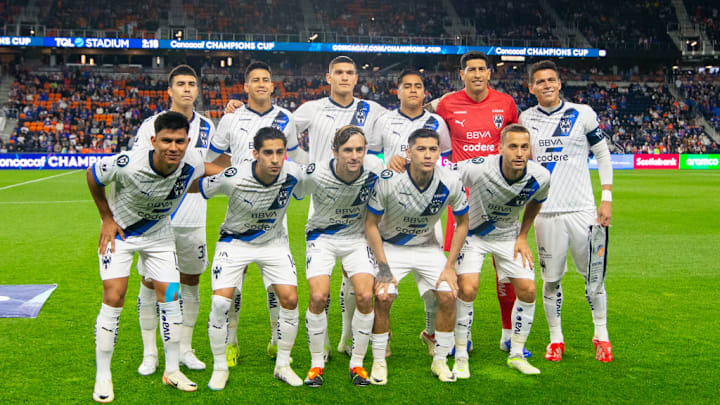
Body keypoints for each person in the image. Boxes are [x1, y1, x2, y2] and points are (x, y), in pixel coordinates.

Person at [87, 112, 221, 402]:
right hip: (120, 235)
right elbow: (93, 175)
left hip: (160, 239)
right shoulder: (129, 162)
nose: (173, 147)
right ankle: (103, 375)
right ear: (153, 140)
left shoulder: (193, 161)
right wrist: (106, 217)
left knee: (171, 297)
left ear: (187, 142)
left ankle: (172, 370)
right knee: (114, 296)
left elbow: (215, 170)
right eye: (166, 141)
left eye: (179, 141)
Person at [427, 51, 527, 357]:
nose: (477, 74)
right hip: (462, 197)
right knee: (458, 271)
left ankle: (508, 334)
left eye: (482, 69)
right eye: (471, 70)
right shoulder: (447, 103)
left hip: (501, 196)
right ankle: (463, 334)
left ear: (489, 73)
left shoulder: (506, 103)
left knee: (506, 271)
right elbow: (422, 111)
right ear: (462, 74)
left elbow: (519, 138)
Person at [205, 61, 301, 368]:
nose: (261, 84)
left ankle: (276, 338)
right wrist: (234, 178)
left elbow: (296, 160)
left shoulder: (286, 118)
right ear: (245, 87)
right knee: (235, 281)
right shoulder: (231, 118)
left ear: (273, 86)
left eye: (266, 79)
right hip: (240, 210)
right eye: (255, 80)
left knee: (277, 284)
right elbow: (212, 158)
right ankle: (231, 341)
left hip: (275, 213)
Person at [519, 60, 614, 363]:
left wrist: (607, 197)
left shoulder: (582, 113)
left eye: (551, 80)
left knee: (594, 279)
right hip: (546, 214)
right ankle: (556, 339)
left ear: (560, 83)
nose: (546, 85)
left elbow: (602, 153)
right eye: (540, 81)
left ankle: (602, 336)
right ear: (531, 87)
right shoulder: (526, 118)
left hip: (584, 212)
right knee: (551, 280)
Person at [199, 127, 306, 390]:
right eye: (268, 153)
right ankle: (220, 367)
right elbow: (201, 187)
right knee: (220, 302)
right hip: (234, 242)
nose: (275, 159)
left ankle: (282, 364)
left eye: (280, 152)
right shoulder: (233, 177)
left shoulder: (293, 175)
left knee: (290, 300)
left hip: (273, 243)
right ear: (255, 154)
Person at [365, 128, 469, 384]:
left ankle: (441, 361)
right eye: (421, 149)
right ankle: (379, 361)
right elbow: (370, 224)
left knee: (448, 296)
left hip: (427, 247)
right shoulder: (389, 179)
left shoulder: (450, 181)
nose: (427, 155)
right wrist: (383, 267)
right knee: (383, 295)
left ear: (438, 153)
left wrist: (449, 266)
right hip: (391, 246)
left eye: (433, 149)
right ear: (408, 153)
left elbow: (463, 222)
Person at [131, 64, 215, 375]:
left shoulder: (208, 126)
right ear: (170, 90)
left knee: (191, 282)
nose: (187, 89)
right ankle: (150, 352)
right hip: (156, 222)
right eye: (180, 84)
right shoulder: (149, 126)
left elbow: (213, 165)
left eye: (192, 83)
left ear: (198, 89)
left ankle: (185, 349)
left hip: (194, 220)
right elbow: (141, 169)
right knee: (151, 283)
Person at [451, 124, 551, 377]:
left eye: (524, 147)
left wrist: (523, 235)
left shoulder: (540, 176)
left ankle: (516, 353)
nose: (519, 153)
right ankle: (461, 354)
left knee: (528, 290)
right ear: (500, 148)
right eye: (513, 146)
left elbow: (536, 203)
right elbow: (443, 176)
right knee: (468, 288)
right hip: (474, 236)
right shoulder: (479, 167)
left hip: (509, 237)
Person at [372, 68, 452, 356]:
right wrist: (385, 162)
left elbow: (447, 158)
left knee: (435, 289)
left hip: (428, 211)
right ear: (399, 91)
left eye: (418, 86)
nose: (413, 90)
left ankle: (431, 334)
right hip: (391, 211)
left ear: (423, 91)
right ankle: (385, 334)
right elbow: (370, 156)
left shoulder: (437, 122)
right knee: (383, 290)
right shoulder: (385, 120)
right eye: (407, 86)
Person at [297, 125, 384, 387]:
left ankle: (357, 363)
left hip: (356, 239)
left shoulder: (374, 171)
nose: (354, 155)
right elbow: (294, 190)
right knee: (318, 296)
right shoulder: (317, 173)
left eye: (359, 149)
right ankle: (316, 364)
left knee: (366, 296)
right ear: (335, 151)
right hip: (321, 238)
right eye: (347, 150)